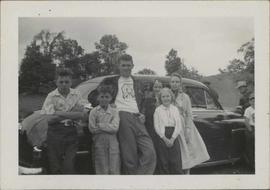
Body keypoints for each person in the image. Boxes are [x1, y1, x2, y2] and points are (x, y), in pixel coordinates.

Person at [100, 54, 156, 174]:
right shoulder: (110, 81)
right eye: (123, 65)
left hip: (138, 118)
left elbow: (146, 101)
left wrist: (143, 113)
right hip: (122, 116)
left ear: (133, 66)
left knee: (150, 152)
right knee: (129, 156)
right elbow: (94, 97)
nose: (126, 68)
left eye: (129, 65)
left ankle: (137, 180)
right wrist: (109, 105)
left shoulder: (138, 83)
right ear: (118, 66)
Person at [41, 68, 88, 174]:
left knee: (69, 165)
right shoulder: (51, 96)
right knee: (55, 166)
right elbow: (49, 120)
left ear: (71, 82)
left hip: (71, 131)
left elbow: (82, 115)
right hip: (55, 132)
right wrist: (72, 114)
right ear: (56, 82)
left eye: (67, 82)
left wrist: (58, 113)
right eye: (61, 82)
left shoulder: (77, 94)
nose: (64, 84)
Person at [170, 73, 210, 174]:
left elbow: (188, 114)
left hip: (183, 126)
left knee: (187, 149)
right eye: (173, 82)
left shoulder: (185, 97)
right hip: (172, 125)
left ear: (180, 84)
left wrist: (187, 129)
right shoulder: (167, 95)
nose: (174, 84)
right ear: (170, 83)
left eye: (177, 82)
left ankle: (187, 172)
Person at [88, 85, 121, 174]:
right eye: (102, 96)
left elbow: (115, 128)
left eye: (107, 97)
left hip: (112, 143)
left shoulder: (114, 111)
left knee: (114, 167)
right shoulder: (94, 112)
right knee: (102, 168)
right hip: (99, 142)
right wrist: (108, 126)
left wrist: (100, 125)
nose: (104, 99)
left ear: (111, 98)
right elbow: (92, 129)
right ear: (98, 98)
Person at [154, 88, 186, 174]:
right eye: (163, 96)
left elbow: (178, 125)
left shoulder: (175, 109)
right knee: (164, 161)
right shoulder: (158, 110)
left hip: (174, 136)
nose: (166, 98)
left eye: (167, 96)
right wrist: (164, 139)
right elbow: (156, 126)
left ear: (171, 97)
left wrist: (172, 139)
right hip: (162, 136)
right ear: (160, 98)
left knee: (175, 161)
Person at [142, 79, 163, 173]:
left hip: (163, 130)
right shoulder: (148, 100)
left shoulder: (165, 99)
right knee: (152, 151)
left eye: (159, 87)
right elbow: (144, 114)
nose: (157, 89)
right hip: (151, 129)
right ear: (152, 88)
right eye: (155, 86)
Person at [243, 92, 255, 169]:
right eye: (252, 100)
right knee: (251, 148)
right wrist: (251, 131)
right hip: (251, 128)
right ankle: (252, 165)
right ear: (249, 101)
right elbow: (246, 121)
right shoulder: (248, 110)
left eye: (255, 100)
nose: (253, 102)